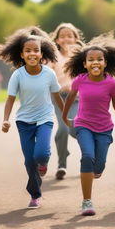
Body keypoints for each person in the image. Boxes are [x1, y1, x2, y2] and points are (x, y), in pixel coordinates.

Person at [0, 28, 64, 209]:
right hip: (24, 121)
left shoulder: (49, 74)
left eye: (36, 50)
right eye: (28, 51)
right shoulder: (18, 75)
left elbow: (56, 97)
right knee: (29, 161)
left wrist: (65, 116)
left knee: (41, 154)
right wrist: (5, 119)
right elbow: (10, 99)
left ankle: (44, 162)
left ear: (42, 54)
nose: (32, 53)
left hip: (45, 118)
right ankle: (35, 194)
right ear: (22, 55)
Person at [62, 34, 115, 216]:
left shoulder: (111, 83)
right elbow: (69, 97)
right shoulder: (80, 80)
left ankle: (96, 171)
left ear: (105, 63)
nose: (95, 63)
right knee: (87, 157)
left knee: (98, 166)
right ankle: (86, 201)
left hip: (104, 128)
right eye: (91, 60)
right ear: (84, 64)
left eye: (99, 59)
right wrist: (65, 115)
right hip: (83, 125)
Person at [48, 23, 84, 180]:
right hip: (58, 98)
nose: (66, 39)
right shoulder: (53, 56)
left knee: (75, 128)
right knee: (63, 129)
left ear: (76, 39)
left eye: (70, 35)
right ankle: (62, 164)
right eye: (62, 36)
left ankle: (88, 156)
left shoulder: (82, 57)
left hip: (76, 98)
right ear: (56, 39)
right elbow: (48, 74)